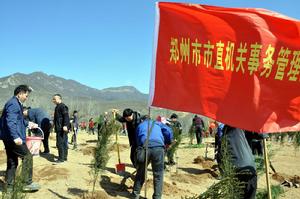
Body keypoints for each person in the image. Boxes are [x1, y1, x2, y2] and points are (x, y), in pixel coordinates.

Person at [1, 85, 40, 191]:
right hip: (14, 138)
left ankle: (9, 187)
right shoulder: (13, 104)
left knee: (12, 161)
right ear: (20, 93)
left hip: (9, 137)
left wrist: (29, 123)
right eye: (26, 95)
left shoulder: (16, 104)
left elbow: (18, 120)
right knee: (27, 157)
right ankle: (26, 183)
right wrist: (15, 137)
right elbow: (10, 121)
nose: (27, 97)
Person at [132, 118, 173, 199]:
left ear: (142, 120)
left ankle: (135, 194)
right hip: (158, 148)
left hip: (144, 148)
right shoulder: (158, 123)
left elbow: (137, 140)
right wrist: (168, 142)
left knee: (140, 172)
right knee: (158, 174)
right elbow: (168, 131)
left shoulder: (140, 125)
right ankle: (157, 197)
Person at [219, 125, 257, 199]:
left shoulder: (223, 137)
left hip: (234, 171)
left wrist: (224, 175)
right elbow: (259, 134)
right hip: (250, 168)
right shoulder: (242, 128)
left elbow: (220, 158)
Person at [52, 94, 70, 163]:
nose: (53, 100)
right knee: (63, 143)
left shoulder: (62, 106)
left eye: (54, 99)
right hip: (59, 128)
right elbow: (56, 118)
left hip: (62, 128)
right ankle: (64, 157)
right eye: (53, 99)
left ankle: (61, 158)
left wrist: (65, 125)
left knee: (60, 143)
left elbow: (66, 116)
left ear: (59, 99)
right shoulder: (57, 107)